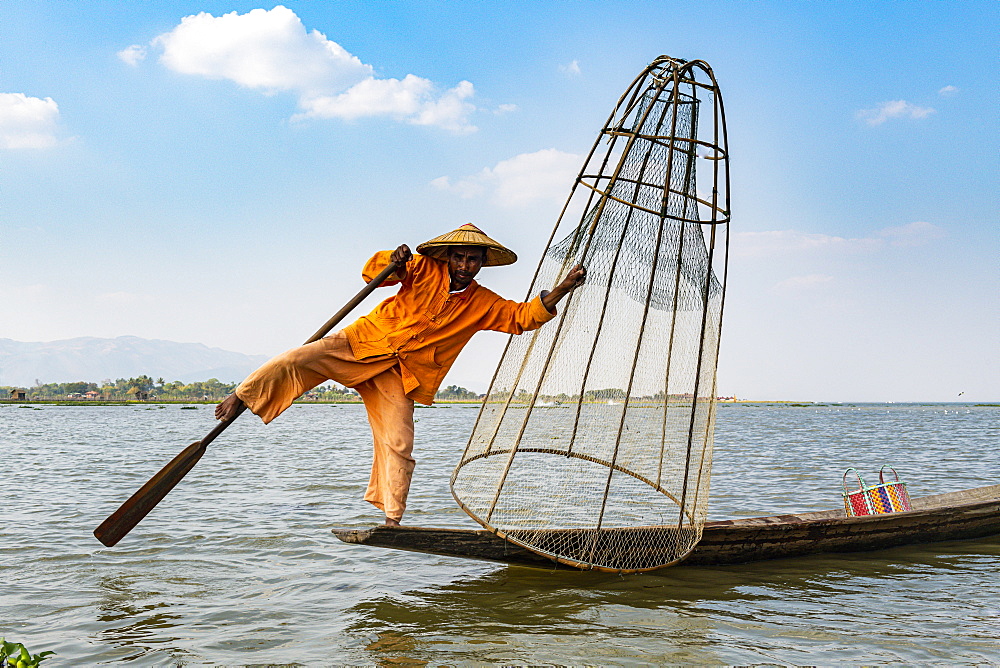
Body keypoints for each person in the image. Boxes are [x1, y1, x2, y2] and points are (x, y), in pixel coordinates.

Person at [215, 223, 585, 526]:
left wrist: (562, 290)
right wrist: (393, 259)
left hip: (402, 373)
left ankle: (392, 519)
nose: (466, 265)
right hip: (361, 343)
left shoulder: (482, 302)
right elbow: (374, 274)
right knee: (295, 360)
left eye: (474, 260)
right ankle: (242, 396)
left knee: (399, 441)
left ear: (482, 263)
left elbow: (520, 317)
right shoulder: (423, 269)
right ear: (448, 256)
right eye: (460, 257)